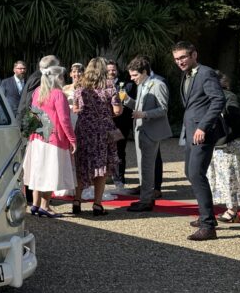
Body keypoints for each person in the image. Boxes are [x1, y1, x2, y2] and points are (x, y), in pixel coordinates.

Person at [172, 41, 226, 241]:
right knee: (190, 172)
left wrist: (203, 126)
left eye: (183, 57)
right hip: (191, 131)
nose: (180, 62)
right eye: (177, 59)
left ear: (194, 54)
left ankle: (208, 225)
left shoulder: (206, 73)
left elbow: (218, 100)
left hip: (202, 132)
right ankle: (206, 215)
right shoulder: (185, 75)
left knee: (196, 173)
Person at [22, 65, 77, 218]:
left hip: (38, 137)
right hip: (53, 138)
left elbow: (33, 115)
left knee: (38, 171)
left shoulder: (38, 92)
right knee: (49, 172)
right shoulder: (58, 94)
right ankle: (45, 206)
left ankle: (35, 204)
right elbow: (64, 119)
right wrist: (72, 139)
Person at [206, 72, 240, 222]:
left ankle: (232, 211)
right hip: (216, 144)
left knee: (230, 177)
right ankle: (228, 210)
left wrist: (220, 115)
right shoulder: (208, 97)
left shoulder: (228, 96)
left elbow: (235, 117)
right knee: (218, 177)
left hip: (229, 143)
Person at [72, 57, 122, 216]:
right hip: (102, 131)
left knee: (83, 163)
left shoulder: (79, 85)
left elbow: (75, 109)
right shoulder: (109, 85)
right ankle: (97, 204)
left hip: (84, 130)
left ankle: (77, 200)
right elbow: (116, 111)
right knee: (101, 166)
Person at [121, 56, 171, 212]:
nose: (132, 78)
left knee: (147, 167)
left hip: (150, 132)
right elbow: (138, 105)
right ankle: (144, 198)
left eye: (135, 75)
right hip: (140, 130)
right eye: (131, 75)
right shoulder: (143, 85)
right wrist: (126, 100)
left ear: (144, 72)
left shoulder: (158, 84)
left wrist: (144, 114)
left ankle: (146, 201)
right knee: (143, 167)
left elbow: (163, 110)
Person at [106, 60, 134, 192]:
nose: (111, 72)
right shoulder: (100, 85)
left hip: (119, 125)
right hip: (103, 125)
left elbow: (130, 105)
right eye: (109, 69)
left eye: (113, 70)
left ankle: (119, 180)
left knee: (118, 152)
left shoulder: (126, 85)